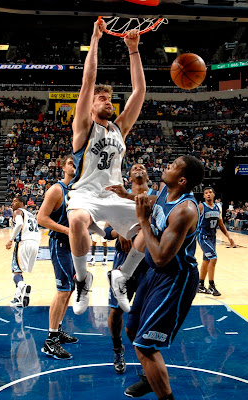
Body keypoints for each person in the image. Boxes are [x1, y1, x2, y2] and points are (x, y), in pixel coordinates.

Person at [108, 155, 205, 399]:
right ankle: (151, 379)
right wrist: (127, 196)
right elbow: (154, 202)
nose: (167, 165)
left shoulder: (185, 210)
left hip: (175, 279)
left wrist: (143, 221)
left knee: (145, 345)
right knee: (132, 330)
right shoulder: (165, 191)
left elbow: (162, 257)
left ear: (182, 180)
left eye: (173, 166)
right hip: (155, 275)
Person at [67, 19, 146, 315]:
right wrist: (95, 39)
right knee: (76, 221)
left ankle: (122, 276)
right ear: (89, 106)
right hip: (86, 194)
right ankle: (83, 279)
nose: (107, 101)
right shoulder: (84, 127)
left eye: (110, 98)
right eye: (101, 98)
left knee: (150, 231)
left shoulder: (119, 129)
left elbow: (138, 92)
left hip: (114, 195)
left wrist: (133, 50)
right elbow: (88, 82)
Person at [105, 164, 158, 374]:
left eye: (142, 167)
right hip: (123, 260)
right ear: (129, 175)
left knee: (145, 312)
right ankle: (118, 348)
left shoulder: (157, 196)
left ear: (147, 175)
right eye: (134, 167)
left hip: (149, 261)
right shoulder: (118, 198)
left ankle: (145, 354)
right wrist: (121, 232)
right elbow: (106, 231)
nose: (138, 168)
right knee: (115, 311)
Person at [37, 155, 78, 360]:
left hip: (72, 246)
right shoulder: (56, 189)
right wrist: (66, 230)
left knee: (69, 289)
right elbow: (41, 218)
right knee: (63, 290)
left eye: (76, 163)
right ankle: (50, 340)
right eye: (70, 163)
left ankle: (58, 328)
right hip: (59, 243)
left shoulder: (78, 191)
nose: (74, 166)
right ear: (63, 167)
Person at [197, 187, 236, 296]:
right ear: (204, 196)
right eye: (206, 193)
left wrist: (229, 237)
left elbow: (221, 224)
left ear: (214, 195)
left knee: (206, 260)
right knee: (213, 258)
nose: (208, 194)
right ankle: (211, 285)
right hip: (203, 236)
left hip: (212, 237)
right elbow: (193, 220)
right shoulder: (201, 207)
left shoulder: (217, 208)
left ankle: (200, 285)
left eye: (210, 192)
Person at [6, 196, 41, 307]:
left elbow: (20, 224)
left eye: (15, 201)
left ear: (22, 203)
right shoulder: (30, 214)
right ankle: (18, 297)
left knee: (15, 272)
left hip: (24, 243)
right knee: (19, 272)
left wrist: (11, 239)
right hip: (35, 244)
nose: (12, 203)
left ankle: (23, 286)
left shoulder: (18, 212)